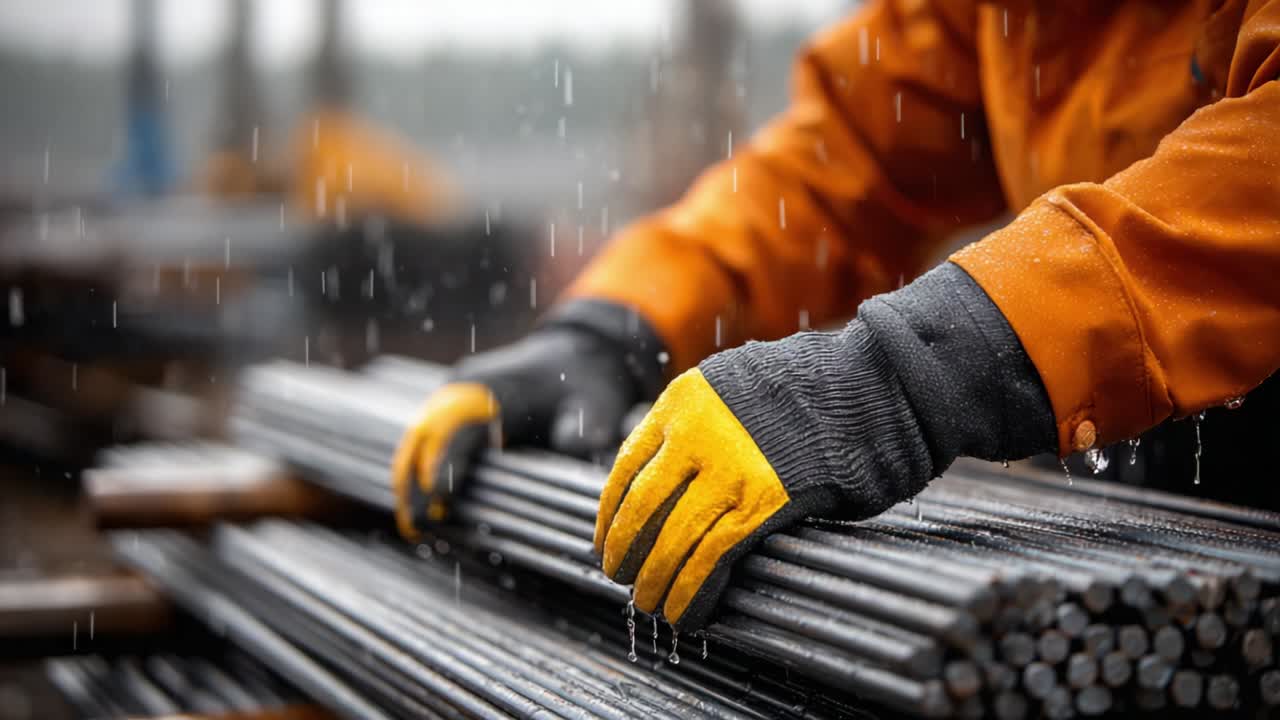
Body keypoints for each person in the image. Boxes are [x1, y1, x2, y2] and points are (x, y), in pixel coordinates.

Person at [392, 0, 1280, 630]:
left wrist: (911, 376)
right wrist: (620, 325)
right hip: (1168, 523)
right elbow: (835, 174)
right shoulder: (1003, 19)